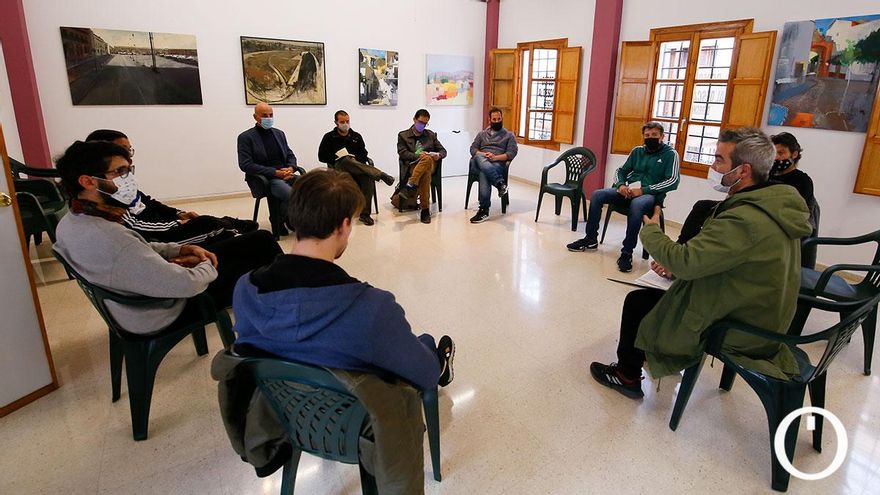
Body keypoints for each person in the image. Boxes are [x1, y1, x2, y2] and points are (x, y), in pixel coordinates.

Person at [231, 169, 455, 490]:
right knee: (426, 349)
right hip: (357, 427)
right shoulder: (370, 307)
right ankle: (439, 354)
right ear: (345, 225)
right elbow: (422, 377)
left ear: (294, 219)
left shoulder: (245, 289)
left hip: (285, 415)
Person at [589, 128, 812, 399]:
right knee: (663, 291)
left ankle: (627, 376)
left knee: (638, 302)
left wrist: (651, 233)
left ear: (743, 171)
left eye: (719, 160)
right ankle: (651, 354)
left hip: (746, 327)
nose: (713, 166)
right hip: (761, 312)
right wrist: (681, 267)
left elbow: (686, 263)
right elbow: (725, 259)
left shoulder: (746, 219)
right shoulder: (775, 202)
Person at [53, 140, 282, 334]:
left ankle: (279, 300)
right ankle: (288, 309)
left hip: (136, 300)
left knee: (260, 240)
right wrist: (204, 263)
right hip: (163, 309)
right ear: (88, 181)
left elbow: (137, 248)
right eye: (120, 172)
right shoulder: (110, 236)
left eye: (128, 171)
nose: (129, 179)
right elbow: (187, 284)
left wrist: (180, 250)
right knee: (261, 250)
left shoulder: (72, 222)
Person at [86, 129, 258, 246]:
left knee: (207, 222)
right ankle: (233, 229)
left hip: (162, 225)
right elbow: (137, 226)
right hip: (160, 237)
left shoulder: (119, 182)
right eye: (122, 150)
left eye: (129, 150)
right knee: (217, 227)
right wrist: (176, 223)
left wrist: (177, 213)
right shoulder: (104, 196)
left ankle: (231, 225)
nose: (129, 156)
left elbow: (148, 202)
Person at [567, 122, 680, 272]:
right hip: (628, 191)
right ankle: (590, 239)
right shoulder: (638, 151)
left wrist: (644, 190)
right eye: (647, 135)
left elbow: (673, 181)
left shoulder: (671, 154)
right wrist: (620, 185)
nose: (650, 138)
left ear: (662, 136)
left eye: (654, 135)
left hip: (650, 195)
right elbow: (621, 170)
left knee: (637, 205)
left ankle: (627, 252)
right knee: (597, 195)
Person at [317, 110, 395, 226]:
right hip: (338, 169)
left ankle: (365, 214)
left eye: (347, 121)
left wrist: (355, 159)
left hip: (357, 169)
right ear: (336, 123)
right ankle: (380, 174)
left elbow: (364, 154)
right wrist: (338, 157)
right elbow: (322, 156)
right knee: (345, 160)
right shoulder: (329, 137)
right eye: (342, 121)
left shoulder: (356, 136)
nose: (345, 124)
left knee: (367, 178)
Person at [237, 102, 300, 235]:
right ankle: (278, 220)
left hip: (285, 173)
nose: (268, 118)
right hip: (266, 178)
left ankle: (288, 218)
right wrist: (276, 173)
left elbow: (290, 154)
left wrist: (290, 168)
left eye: (271, 115)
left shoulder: (279, 134)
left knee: (309, 188)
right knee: (291, 195)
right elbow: (246, 164)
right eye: (264, 115)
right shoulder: (246, 137)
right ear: (255, 117)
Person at [771, 132, 819, 268]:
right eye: (774, 153)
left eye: (781, 153)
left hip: (789, 231)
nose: (776, 158)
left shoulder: (802, 181)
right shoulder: (767, 175)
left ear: (794, 154)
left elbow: (798, 213)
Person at [468, 107, 518, 223]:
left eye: (499, 118)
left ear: (502, 118)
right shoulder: (481, 134)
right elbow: (473, 149)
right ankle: (500, 184)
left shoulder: (509, 135)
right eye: (494, 119)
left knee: (484, 172)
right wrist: (484, 154)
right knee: (479, 157)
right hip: (480, 160)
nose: (497, 121)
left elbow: (511, 153)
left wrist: (495, 157)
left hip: (497, 164)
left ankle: (484, 210)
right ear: (489, 119)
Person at [396, 109, 447, 224]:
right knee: (425, 172)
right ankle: (425, 210)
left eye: (425, 123)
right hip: (413, 165)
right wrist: (417, 155)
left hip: (431, 164)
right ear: (414, 119)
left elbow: (443, 151)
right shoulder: (403, 135)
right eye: (420, 122)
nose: (422, 125)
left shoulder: (430, 135)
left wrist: (438, 155)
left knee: (427, 159)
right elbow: (402, 153)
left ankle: (410, 185)